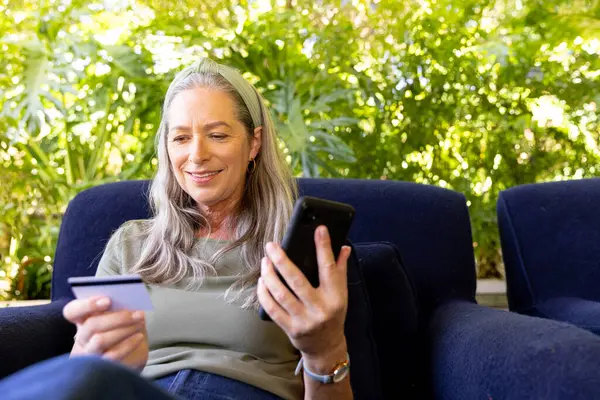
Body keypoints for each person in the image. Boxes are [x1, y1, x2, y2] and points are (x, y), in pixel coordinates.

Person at [1, 58, 353, 400]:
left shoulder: (296, 252)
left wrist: (326, 348)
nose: (197, 155)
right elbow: (87, 369)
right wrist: (89, 351)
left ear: (254, 143)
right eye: (181, 138)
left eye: (217, 134)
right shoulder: (133, 246)